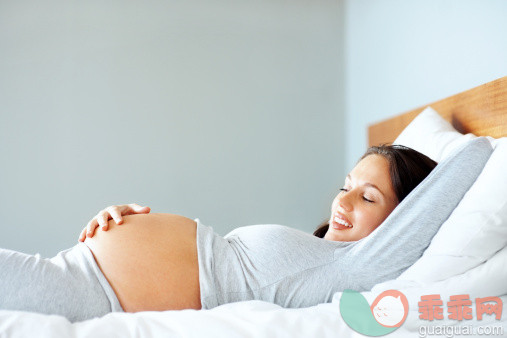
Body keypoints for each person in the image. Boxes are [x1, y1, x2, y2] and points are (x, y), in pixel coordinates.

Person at [0, 145, 437, 322]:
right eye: (346, 186)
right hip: (82, 267)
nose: (342, 203)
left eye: (368, 198)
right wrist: (114, 221)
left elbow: (470, 158)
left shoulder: (358, 266)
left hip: (94, 294)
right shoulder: (319, 250)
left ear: (405, 218)